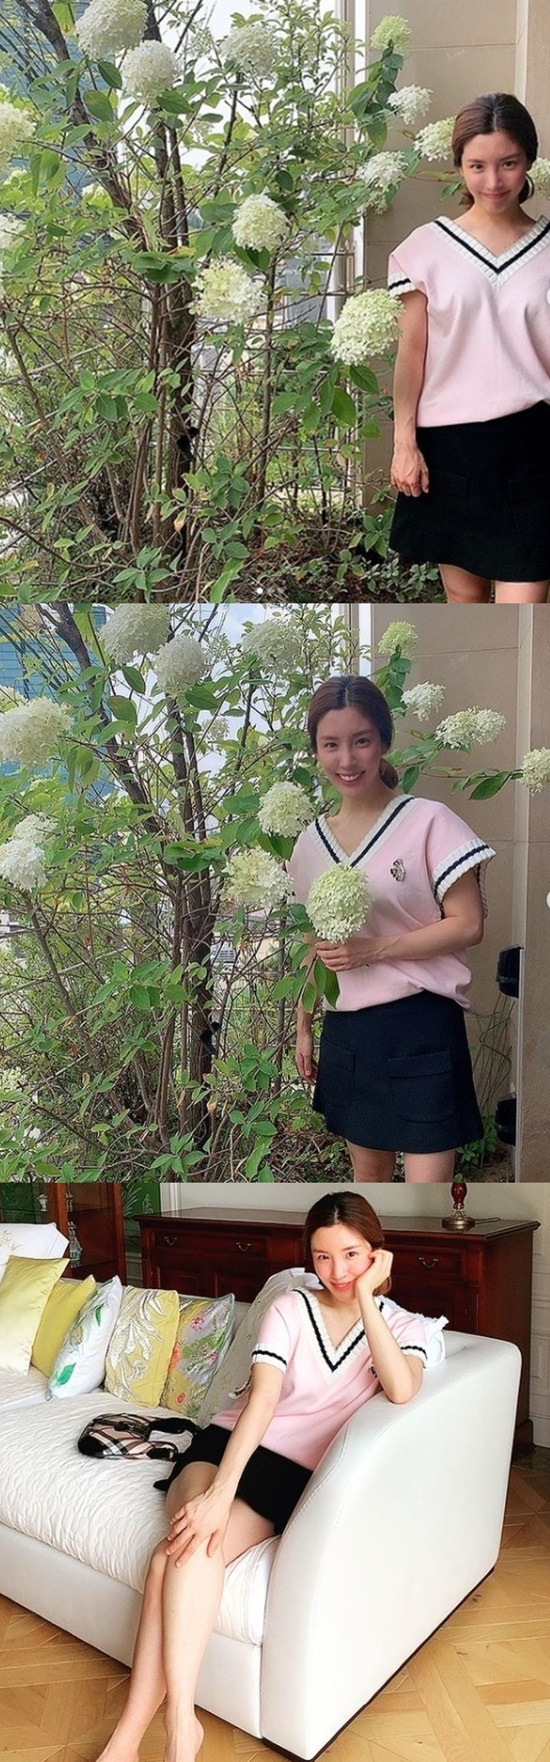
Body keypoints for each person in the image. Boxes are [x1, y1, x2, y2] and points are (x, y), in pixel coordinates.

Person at [95, 1191, 427, 1762]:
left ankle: (132, 1738)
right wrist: (221, 1491)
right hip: (228, 1446)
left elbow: (401, 1389)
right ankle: (177, 1728)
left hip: (291, 1473)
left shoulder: (405, 1325)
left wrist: (371, 1303)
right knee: (193, 1541)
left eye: (351, 1255)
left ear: (377, 1254)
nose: (337, 1271)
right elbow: (262, 1402)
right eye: (322, 1257)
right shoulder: (290, 1308)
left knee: (168, 1557)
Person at [289, 675, 495, 1183]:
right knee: (370, 1192)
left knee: (426, 1199)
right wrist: (303, 1024)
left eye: (361, 741)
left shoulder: (428, 820)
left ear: (383, 742)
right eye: (330, 745)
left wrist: (377, 949)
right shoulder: (309, 845)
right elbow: (313, 947)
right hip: (349, 1032)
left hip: (421, 1023)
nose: (347, 760)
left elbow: (469, 924)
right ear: (315, 751)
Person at [387, 92, 550, 605]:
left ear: (529, 161)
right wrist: (404, 442)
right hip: (450, 451)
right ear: (459, 165)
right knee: (465, 603)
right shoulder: (424, 250)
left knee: (524, 602)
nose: (494, 181)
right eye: (477, 165)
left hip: (535, 449)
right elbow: (411, 355)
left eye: (508, 163)